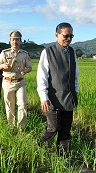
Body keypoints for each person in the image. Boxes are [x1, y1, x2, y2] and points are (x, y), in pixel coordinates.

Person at [37, 22, 79, 157]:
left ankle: (63, 157)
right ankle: (39, 144)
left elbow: (75, 74)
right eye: (66, 36)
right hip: (53, 98)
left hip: (69, 97)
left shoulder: (72, 52)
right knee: (53, 128)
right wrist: (44, 97)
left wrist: (75, 91)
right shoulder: (48, 52)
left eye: (71, 36)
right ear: (57, 35)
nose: (69, 39)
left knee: (66, 130)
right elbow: (42, 76)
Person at [0, 30, 32, 130]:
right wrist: (3, 65)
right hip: (8, 82)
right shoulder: (4, 53)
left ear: (20, 41)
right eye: (13, 40)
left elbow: (30, 67)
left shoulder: (24, 54)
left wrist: (26, 70)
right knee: (10, 106)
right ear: (10, 41)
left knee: (23, 105)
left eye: (17, 40)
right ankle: (11, 127)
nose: (15, 42)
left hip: (20, 82)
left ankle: (21, 128)